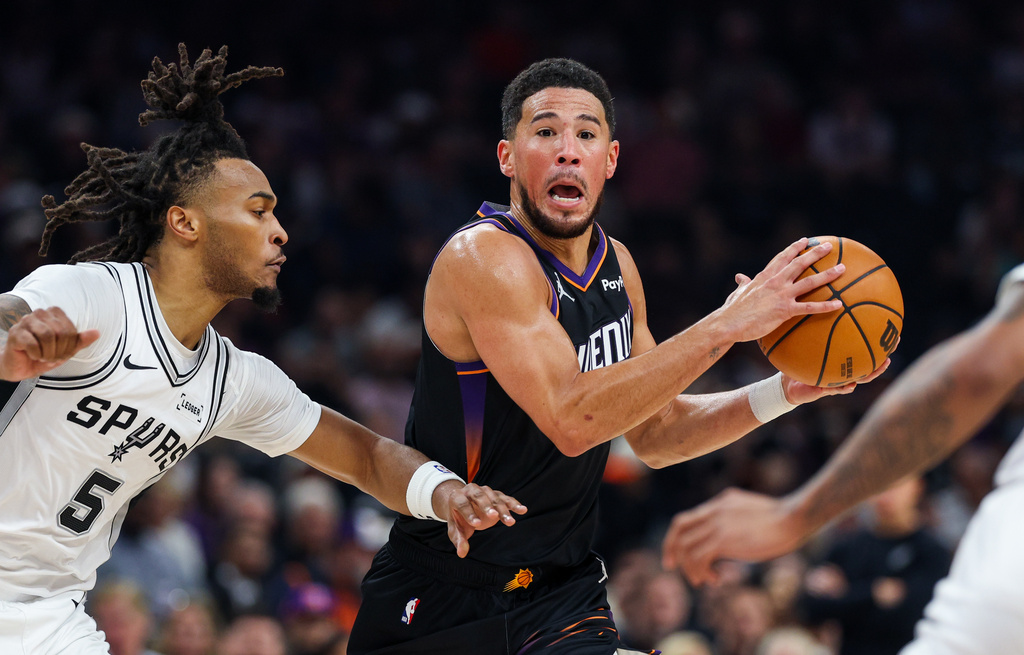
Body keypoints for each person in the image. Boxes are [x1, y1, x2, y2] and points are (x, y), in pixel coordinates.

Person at [347, 57, 889, 654]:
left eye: (586, 134)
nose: (567, 151)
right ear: (506, 157)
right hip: (444, 595)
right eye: (546, 131)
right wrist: (726, 325)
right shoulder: (484, 259)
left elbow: (659, 434)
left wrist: (782, 391)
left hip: (559, 595)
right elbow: (573, 421)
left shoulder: (617, 266)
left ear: (609, 160)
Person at [0, 44, 525, 655]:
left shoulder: (231, 381)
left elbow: (366, 457)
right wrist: (13, 345)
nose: (280, 231)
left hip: (50, 615)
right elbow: (12, 312)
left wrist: (445, 493)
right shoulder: (96, 296)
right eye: (257, 211)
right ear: (185, 223)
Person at [662, 265, 1024, 653]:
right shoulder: (851, 544)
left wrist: (793, 514)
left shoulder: (929, 549)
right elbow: (656, 437)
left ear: (919, 485)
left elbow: (981, 369)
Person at [795, 475, 950, 655]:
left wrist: (845, 595)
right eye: (880, 485)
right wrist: (873, 594)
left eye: (896, 485)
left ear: (917, 487)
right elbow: (809, 607)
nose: (887, 494)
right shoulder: (847, 547)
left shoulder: (932, 552)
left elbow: (912, 614)